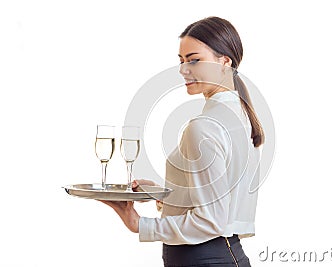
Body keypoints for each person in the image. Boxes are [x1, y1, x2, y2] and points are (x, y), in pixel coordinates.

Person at [100, 16, 265, 266]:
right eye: (181, 61)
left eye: (194, 60)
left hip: (202, 258)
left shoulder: (204, 126)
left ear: (224, 62)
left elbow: (212, 220)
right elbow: (221, 201)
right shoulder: (241, 115)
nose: (183, 69)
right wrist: (166, 196)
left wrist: (139, 225)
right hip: (227, 254)